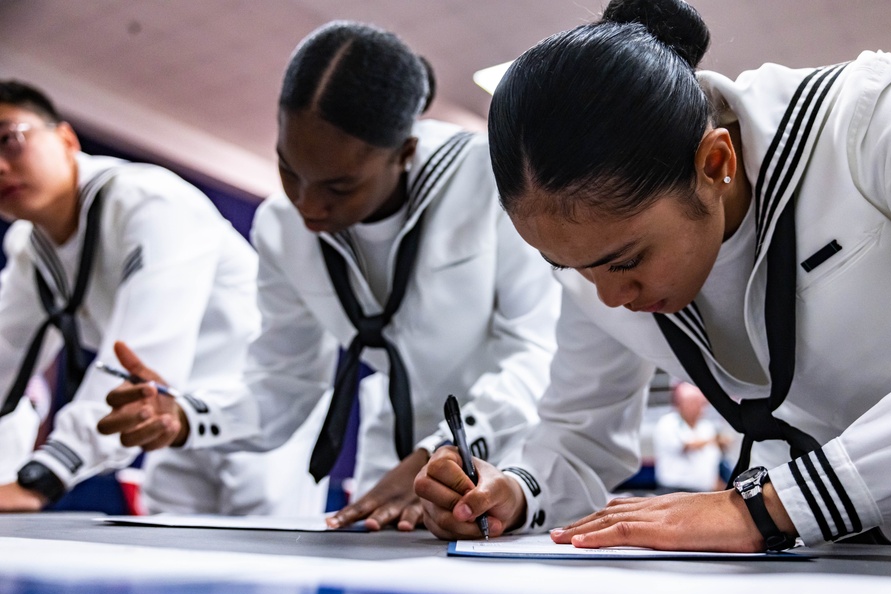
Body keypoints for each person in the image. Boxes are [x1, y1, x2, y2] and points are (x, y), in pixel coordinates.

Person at [415, 0, 891, 551]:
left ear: (715, 163)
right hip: (828, 567)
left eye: (626, 261)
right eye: (568, 267)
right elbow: (579, 435)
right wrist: (510, 492)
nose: (611, 297)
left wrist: (769, 508)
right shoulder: (599, 269)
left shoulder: (871, 117)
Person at [97, 21, 560, 527]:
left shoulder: (487, 178)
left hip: (507, 445)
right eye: (288, 170)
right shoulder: (280, 228)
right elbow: (284, 382)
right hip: (393, 456)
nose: (307, 206)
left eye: (339, 187)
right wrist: (186, 416)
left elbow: (534, 354)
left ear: (405, 153)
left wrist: (442, 453)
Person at [0, 79, 263, 513]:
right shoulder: (30, 248)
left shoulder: (152, 202)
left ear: (66, 137)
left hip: (262, 414)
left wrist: (43, 477)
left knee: (270, 566)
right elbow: (6, 355)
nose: (1, 167)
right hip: (166, 422)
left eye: (9, 140)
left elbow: (141, 358)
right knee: (169, 556)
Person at [652, 382, 724, 494]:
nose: (699, 407)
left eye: (701, 403)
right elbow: (686, 445)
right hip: (674, 490)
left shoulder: (707, 426)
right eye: (693, 402)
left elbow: (711, 459)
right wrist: (714, 440)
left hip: (704, 490)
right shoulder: (668, 423)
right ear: (680, 404)